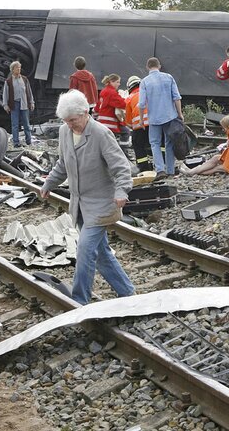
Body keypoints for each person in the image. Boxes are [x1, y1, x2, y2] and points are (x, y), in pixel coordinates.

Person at [39, 89, 135, 305]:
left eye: (73, 120)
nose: (70, 124)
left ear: (85, 113)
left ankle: (79, 301)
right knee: (101, 253)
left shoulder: (100, 133)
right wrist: (49, 184)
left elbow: (120, 165)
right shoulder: (65, 132)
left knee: (84, 250)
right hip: (79, 205)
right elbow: (63, 164)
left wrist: (122, 191)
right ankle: (127, 292)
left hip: (101, 205)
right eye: (66, 121)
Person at [138, 58, 183, 179]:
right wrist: (180, 113)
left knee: (155, 143)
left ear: (147, 67)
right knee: (169, 142)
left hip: (154, 118)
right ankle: (170, 170)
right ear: (159, 66)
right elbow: (176, 97)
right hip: (170, 116)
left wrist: (142, 119)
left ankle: (160, 170)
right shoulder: (168, 77)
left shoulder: (145, 82)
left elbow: (141, 103)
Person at [2, 60, 35, 147]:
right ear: (12, 70)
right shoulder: (8, 81)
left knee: (26, 124)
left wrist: (31, 102)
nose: (19, 69)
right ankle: (16, 143)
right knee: (15, 124)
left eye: (20, 68)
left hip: (24, 103)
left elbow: (29, 91)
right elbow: (5, 94)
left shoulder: (24, 79)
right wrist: (5, 105)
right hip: (14, 104)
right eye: (17, 68)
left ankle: (29, 141)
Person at [124, 75, 152, 172]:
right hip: (153, 124)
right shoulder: (148, 93)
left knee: (138, 146)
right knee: (159, 144)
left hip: (139, 127)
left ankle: (143, 167)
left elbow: (127, 121)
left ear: (130, 87)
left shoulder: (129, 99)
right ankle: (163, 164)